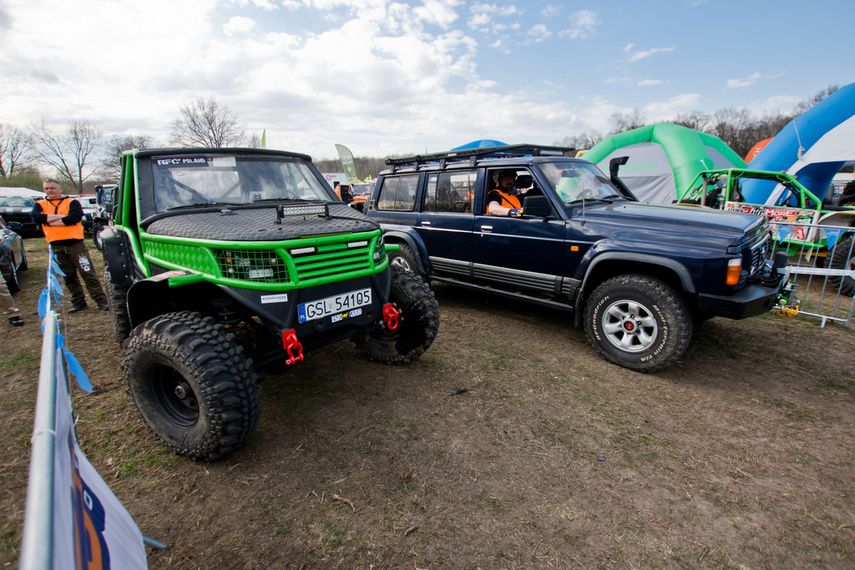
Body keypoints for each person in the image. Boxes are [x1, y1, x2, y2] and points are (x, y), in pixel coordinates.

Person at [32, 179, 109, 313]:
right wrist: (61, 218)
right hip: (56, 245)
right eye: (46, 188)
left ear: (60, 189)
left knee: (87, 272)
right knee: (68, 275)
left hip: (75, 244)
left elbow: (73, 218)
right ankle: (79, 301)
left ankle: (101, 300)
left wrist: (48, 221)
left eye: (52, 188)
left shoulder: (72, 202)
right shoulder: (40, 204)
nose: (49, 191)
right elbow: (35, 218)